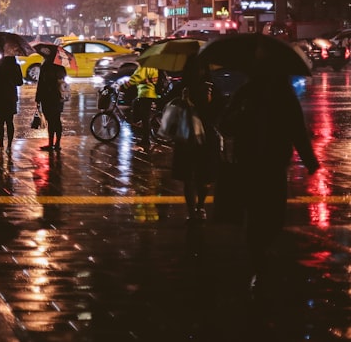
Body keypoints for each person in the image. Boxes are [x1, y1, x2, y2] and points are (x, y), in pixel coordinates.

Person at [218, 71, 320, 290]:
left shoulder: (283, 95)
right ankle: (258, 255)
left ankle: (261, 249)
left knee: (274, 213)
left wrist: (309, 159)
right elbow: (225, 125)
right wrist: (242, 113)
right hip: (250, 164)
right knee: (258, 212)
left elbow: (296, 129)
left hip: (273, 164)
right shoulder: (245, 94)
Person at [169, 61, 219, 222]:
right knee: (188, 176)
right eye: (195, 67)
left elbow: (219, 113)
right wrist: (182, 101)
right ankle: (192, 210)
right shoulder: (181, 88)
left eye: (202, 67)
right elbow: (167, 106)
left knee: (205, 177)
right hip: (186, 136)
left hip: (206, 137)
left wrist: (210, 100)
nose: (199, 71)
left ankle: (200, 205)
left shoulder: (211, 88)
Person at [0, 42, 24, 152]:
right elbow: (20, 82)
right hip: (10, 96)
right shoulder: (15, 66)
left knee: (0, 122)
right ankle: (9, 145)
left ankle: (0, 146)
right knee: (9, 122)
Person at [34, 44, 68, 152]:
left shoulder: (46, 66)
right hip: (58, 96)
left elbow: (41, 84)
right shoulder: (61, 67)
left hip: (47, 97)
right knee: (56, 120)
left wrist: (38, 98)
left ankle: (51, 143)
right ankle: (57, 143)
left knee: (51, 120)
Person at [122, 64, 161, 147]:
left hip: (145, 93)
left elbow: (136, 77)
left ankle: (146, 141)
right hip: (149, 93)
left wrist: (124, 86)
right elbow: (154, 79)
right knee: (137, 105)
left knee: (145, 118)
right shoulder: (153, 66)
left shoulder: (144, 66)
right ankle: (141, 128)